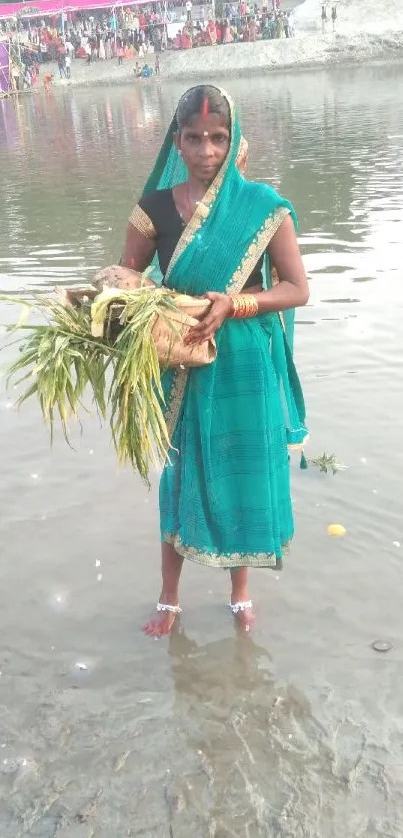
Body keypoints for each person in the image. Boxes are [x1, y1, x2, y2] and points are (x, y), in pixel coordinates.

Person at [121, 85, 308, 637]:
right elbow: (126, 284)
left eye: (218, 137)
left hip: (245, 358)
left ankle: (239, 593)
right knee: (181, 474)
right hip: (182, 361)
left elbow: (297, 288)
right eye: (194, 137)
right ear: (175, 141)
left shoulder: (263, 207)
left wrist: (238, 303)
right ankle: (170, 598)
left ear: (235, 141)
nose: (206, 149)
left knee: (243, 470)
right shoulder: (152, 209)